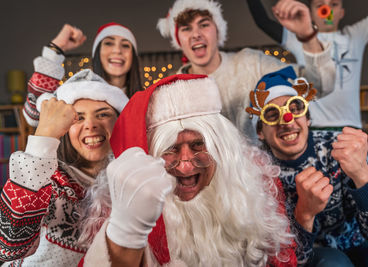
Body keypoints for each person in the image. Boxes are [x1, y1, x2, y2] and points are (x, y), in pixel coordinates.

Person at [78, 74, 298, 266]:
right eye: (170, 149)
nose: (184, 165)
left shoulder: (256, 186)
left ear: (222, 148)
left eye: (198, 145)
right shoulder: (118, 208)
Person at [246, 66, 368, 266]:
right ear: (260, 132)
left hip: (363, 242)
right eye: (272, 115)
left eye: (295, 108)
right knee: (333, 263)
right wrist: (305, 213)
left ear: (308, 119)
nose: (287, 121)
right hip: (316, 255)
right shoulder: (256, 175)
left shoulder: (342, 148)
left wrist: (363, 176)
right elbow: (286, 261)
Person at [156, 0, 336, 144]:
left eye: (203, 25)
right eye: (186, 28)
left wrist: (308, 36)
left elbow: (320, 85)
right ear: (178, 39)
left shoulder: (251, 63)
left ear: (218, 32)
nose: (196, 34)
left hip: (266, 176)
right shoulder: (171, 89)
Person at [0, 69, 129, 266]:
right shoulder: (49, 180)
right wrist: (44, 139)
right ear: (65, 128)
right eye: (78, 118)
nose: (91, 125)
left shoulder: (132, 178)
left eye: (102, 114)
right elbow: (8, 246)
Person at [247, 0, 368, 129]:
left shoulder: (355, 36)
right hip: (314, 126)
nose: (327, 11)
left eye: (333, 4)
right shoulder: (300, 37)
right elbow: (263, 22)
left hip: (351, 126)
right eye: (320, 5)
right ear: (311, 13)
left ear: (341, 12)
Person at [23, 22, 142, 127]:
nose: (117, 50)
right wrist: (57, 47)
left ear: (133, 56)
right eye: (109, 43)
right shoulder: (76, 92)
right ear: (97, 52)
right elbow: (34, 115)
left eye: (125, 45)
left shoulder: (148, 100)